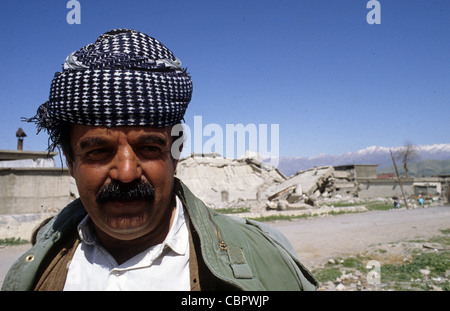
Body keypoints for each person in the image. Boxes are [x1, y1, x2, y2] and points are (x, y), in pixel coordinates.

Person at [1, 29, 317, 291]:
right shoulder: (34, 272)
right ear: (70, 161)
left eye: (149, 148)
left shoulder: (263, 267)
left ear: (175, 153)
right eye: (98, 151)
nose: (126, 173)